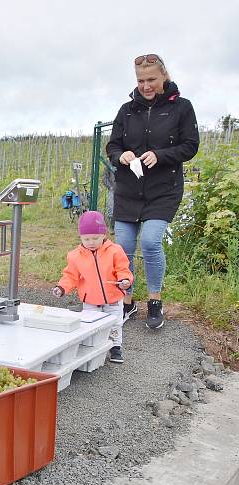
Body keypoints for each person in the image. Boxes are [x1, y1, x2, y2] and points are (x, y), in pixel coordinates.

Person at [105, 53, 199, 329]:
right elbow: (112, 146)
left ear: (164, 77)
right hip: (128, 189)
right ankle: (127, 301)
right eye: (140, 80)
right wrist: (120, 156)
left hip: (163, 190)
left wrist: (160, 155)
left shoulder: (182, 107)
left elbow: (190, 146)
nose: (145, 85)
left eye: (151, 79)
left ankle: (155, 301)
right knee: (123, 247)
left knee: (149, 242)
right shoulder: (126, 110)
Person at [52, 211, 133, 363]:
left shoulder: (115, 251)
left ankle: (116, 348)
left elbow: (123, 269)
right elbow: (70, 275)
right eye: (86, 238)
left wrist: (125, 280)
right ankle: (93, 350)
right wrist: (62, 287)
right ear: (80, 237)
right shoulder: (75, 255)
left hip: (113, 298)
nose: (91, 242)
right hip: (90, 300)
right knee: (91, 326)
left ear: (104, 235)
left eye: (95, 238)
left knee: (116, 323)